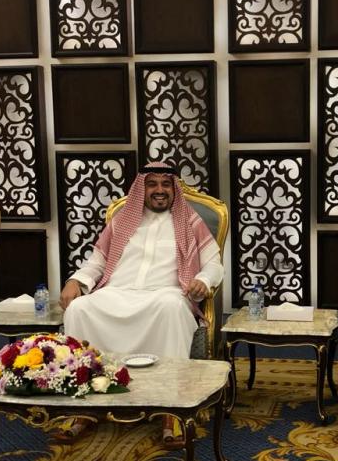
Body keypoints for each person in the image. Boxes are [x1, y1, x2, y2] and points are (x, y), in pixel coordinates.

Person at [59, 162, 224, 443]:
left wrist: (203, 280)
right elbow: (96, 263)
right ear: (141, 189)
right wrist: (75, 281)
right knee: (79, 308)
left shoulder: (190, 222)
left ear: (173, 189)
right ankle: (83, 404)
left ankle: (170, 407)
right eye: (152, 184)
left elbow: (214, 265)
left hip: (165, 294)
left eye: (165, 184)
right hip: (116, 292)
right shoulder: (122, 221)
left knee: (171, 308)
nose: (159, 190)